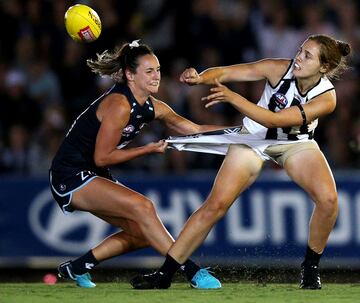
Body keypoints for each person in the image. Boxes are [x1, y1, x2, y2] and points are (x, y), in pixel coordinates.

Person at [130, 34, 351, 290]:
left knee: (329, 200)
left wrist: (233, 98)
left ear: (324, 68)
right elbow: (227, 72)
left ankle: (310, 267)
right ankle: (165, 275)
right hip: (252, 139)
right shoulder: (279, 68)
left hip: (294, 143)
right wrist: (201, 76)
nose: (298, 58)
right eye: (301, 50)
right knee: (216, 205)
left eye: (307, 56)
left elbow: (275, 121)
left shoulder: (327, 98)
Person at [49, 40, 222, 289]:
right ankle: (191, 271)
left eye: (159, 70)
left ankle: (77, 267)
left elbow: (194, 130)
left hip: (93, 172)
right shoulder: (118, 105)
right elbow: (102, 157)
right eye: (149, 71)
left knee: (143, 233)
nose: (156, 76)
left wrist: (244, 131)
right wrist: (148, 149)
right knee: (144, 207)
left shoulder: (153, 106)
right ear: (130, 75)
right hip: (70, 174)